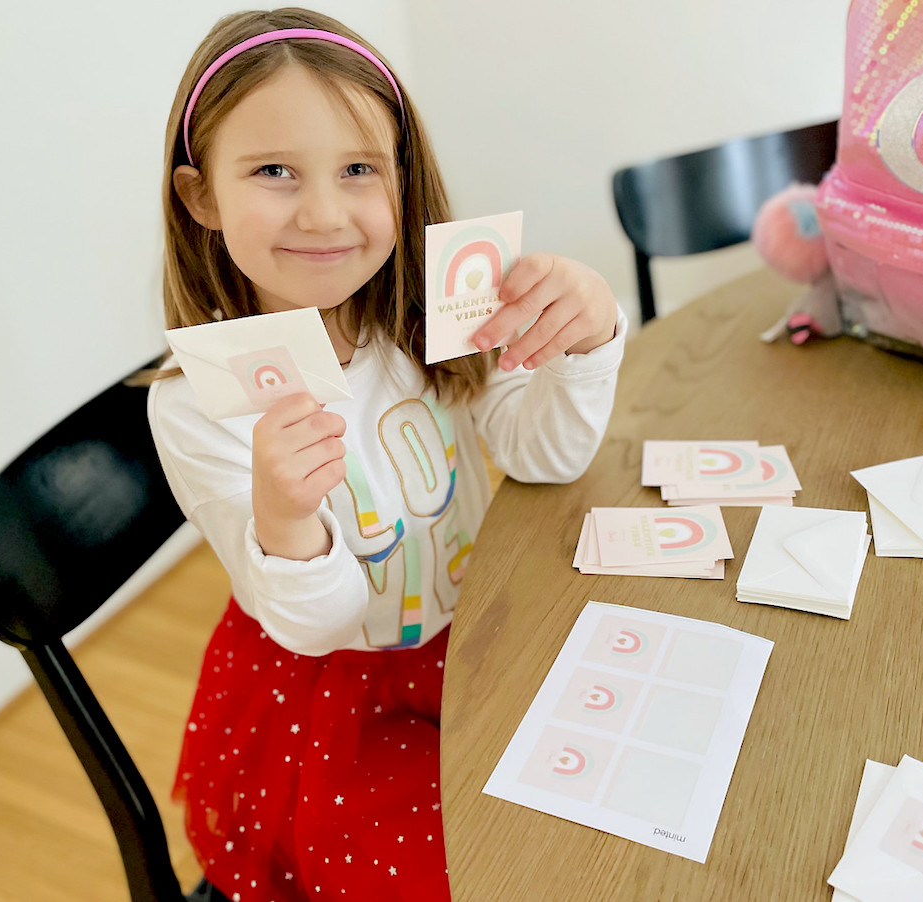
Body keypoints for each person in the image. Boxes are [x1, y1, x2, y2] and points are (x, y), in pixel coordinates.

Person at [147, 7, 625, 901]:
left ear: (402, 183)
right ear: (201, 195)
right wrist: (287, 519)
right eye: (274, 171)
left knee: (595, 809)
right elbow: (315, 623)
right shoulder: (198, 406)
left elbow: (545, 454)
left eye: (359, 169)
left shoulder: (425, 318)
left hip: (478, 637)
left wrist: (590, 338)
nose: (324, 213)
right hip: (337, 702)